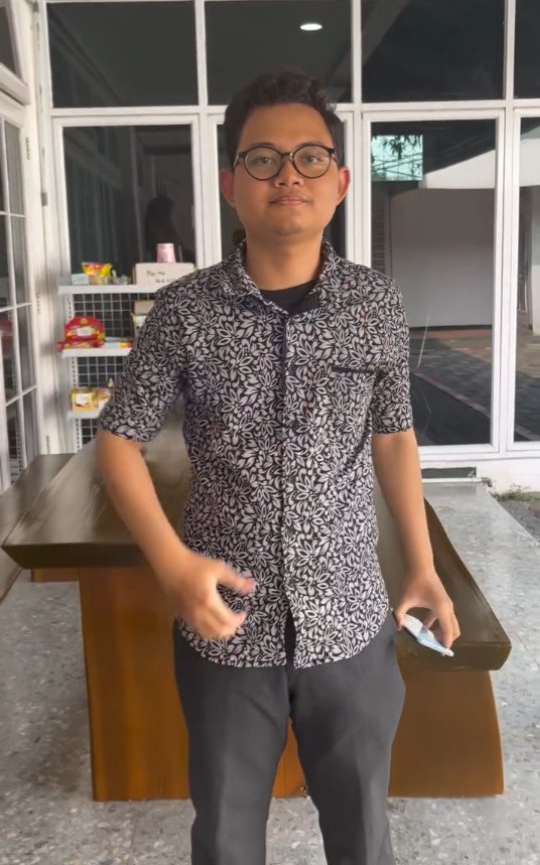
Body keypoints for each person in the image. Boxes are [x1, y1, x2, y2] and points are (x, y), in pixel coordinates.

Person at [96, 69, 460, 865]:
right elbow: (117, 439)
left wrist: (423, 566)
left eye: (309, 157)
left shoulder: (376, 304)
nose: (287, 175)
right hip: (227, 624)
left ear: (340, 181)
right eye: (262, 159)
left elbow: (393, 437)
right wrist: (173, 566)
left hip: (350, 614)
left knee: (363, 836)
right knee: (226, 839)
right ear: (230, 184)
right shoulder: (185, 312)